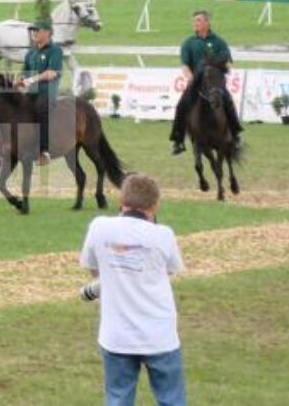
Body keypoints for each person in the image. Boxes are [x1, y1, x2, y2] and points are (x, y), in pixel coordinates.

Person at [80, 174, 186, 406]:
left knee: (118, 398)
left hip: (116, 335)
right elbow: (169, 270)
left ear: (121, 199)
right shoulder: (163, 235)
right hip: (160, 335)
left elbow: (93, 268)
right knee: (171, 399)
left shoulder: (99, 227)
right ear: (155, 205)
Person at [170, 10, 243, 155]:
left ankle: (235, 135)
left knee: (228, 101)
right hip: (196, 82)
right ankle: (178, 140)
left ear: (207, 22)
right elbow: (185, 64)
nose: (195, 23)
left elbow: (227, 62)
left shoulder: (219, 41)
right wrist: (190, 77)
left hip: (214, 81)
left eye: (198, 20)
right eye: (194, 21)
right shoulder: (188, 43)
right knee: (181, 105)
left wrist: (221, 71)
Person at [17, 20, 63, 166]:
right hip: (31, 93)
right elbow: (24, 73)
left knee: (40, 109)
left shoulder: (55, 51)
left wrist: (31, 80)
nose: (34, 33)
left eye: (37, 30)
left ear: (48, 32)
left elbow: (51, 73)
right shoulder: (30, 52)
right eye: (33, 30)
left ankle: (44, 152)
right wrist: (18, 81)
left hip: (47, 93)